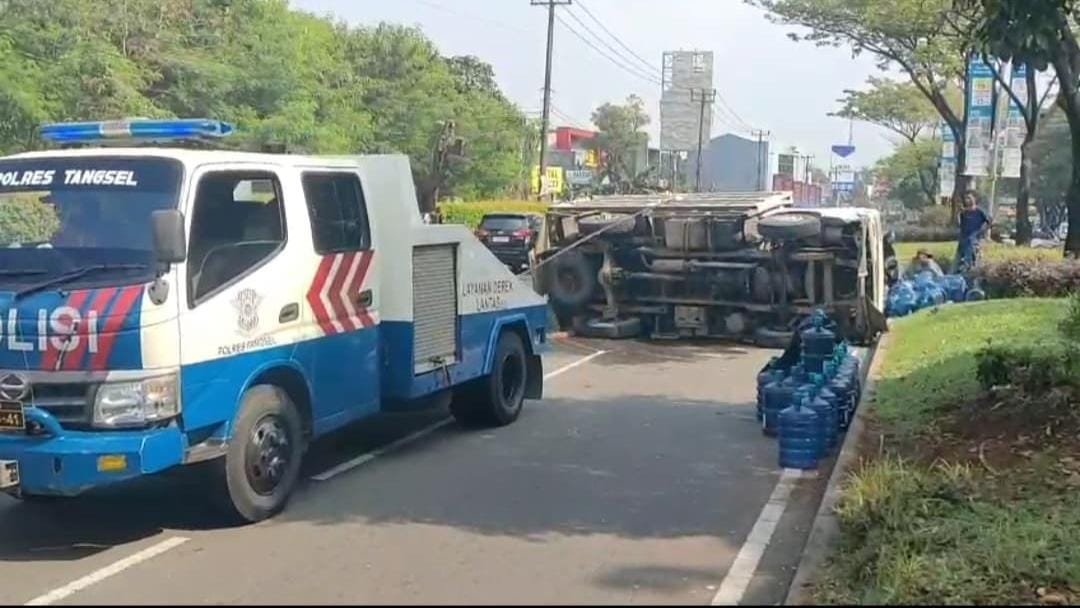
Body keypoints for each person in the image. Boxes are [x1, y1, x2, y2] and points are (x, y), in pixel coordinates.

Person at [955, 190, 991, 273]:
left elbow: (989, 222)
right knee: (957, 262)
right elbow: (959, 224)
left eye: (969, 198)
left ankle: (971, 278)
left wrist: (982, 231)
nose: (967, 200)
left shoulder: (980, 211)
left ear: (974, 199)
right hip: (963, 240)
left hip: (973, 241)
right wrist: (958, 213)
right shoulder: (963, 212)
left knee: (970, 261)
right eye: (966, 198)